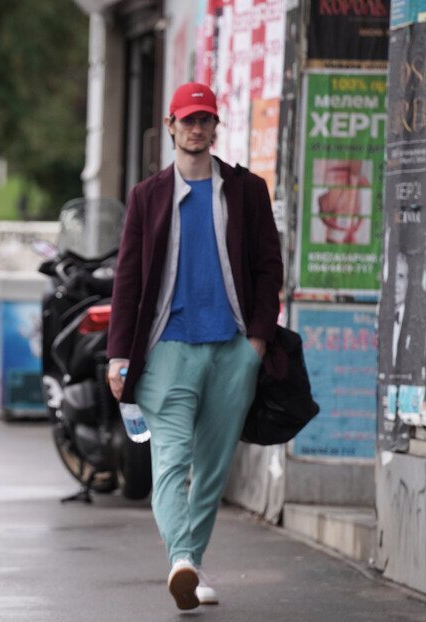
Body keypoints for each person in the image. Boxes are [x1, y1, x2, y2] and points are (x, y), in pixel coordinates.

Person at [105, 82, 283, 611]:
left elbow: (268, 266)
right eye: (189, 120)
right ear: (171, 126)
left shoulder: (247, 191)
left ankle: (192, 564)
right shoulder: (148, 195)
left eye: (206, 119)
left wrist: (256, 340)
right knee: (171, 458)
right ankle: (181, 558)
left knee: (212, 465)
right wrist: (118, 354)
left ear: (215, 126)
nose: (198, 129)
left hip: (232, 349)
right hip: (167, 348)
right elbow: (128, 280)